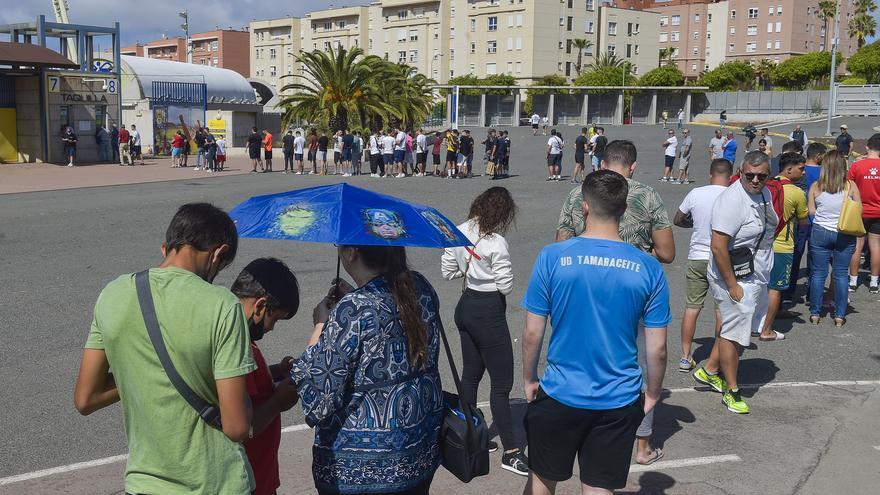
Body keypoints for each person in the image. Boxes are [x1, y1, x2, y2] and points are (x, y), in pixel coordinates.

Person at [74, 203, 255, 494]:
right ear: (218, 253)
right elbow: (236, 427)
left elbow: (86, 398)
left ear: (166, 248)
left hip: (144, 483)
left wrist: (142, 366)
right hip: (215, 483)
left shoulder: (113, 294)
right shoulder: (222, 305)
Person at [522, 170, 670, 495]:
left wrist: (530, 378)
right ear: (624, 208)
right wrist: (654, 393)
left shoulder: (552, 256)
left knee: (542, 481)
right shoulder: (648, 267)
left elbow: (533, 333)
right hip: (617, 398)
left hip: (560, 390)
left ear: (584, 207)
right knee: (598, 489)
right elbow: (657, 349)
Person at [555, 140, 674, 464]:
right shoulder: (647, 195)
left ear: (601, 162)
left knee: (578, 358)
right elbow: (667, 252)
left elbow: (561, 243)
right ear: (632, 166)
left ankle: (578, 428)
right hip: (632, 292)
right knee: (642, 364)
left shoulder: (578, 194)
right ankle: (642, 445)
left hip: (583, 291)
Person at [291, 245, 444, 495]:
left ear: (351, 252)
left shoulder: (354, 309)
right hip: (418, 454)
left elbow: (319, 396)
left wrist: (320, 325)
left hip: (358, 471)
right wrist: (352, 300)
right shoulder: (420, 287)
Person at [440, 187, 528, 475]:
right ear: (503, 213)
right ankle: (512, 451)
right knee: (501, 385)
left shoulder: (460, 229)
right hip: (489, 310)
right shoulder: (497, 242)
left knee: (471, 374)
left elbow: (448, 271)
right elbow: (506, 286)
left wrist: (470, 266)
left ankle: (472, 434)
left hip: (466, 305)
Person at [693, 151, 778, 414]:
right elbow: (718, 247)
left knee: (736, 329)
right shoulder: (731, 200)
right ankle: (732, 390)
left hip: (753, 273)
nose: (755, 180)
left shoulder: (764, 194)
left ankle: (708, 371)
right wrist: (732, 285)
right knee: (735, 335)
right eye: (749, 175)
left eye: (761, 176)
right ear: (739, 173)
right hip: (730, 276)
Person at [230, 258, 301, 495]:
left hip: (258, 477)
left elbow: (246, 381)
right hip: (249, 482)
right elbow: (243, 426)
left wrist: (275, 371)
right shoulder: (238, 348)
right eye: (276, 319)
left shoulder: (236, 339)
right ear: (260, 306)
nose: (272, 328)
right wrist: (278, 403)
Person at [674, 158, 731, 371]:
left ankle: (685, 356)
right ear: (730, 176)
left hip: (697, 255)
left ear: (710, 174)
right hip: (721, 257)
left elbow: (678, 218)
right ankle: (718, 355)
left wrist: (695, 224)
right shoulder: (732, 195)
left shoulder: (696, 193)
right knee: (721, 310)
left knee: (692, 307)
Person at [756, 152, 808, 342]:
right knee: (775, 289)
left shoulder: (765, 185)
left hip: (760, 245)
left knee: (758, 286)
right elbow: (803, 222)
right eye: (800, 169)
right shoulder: (796, 192)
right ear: (789, 169)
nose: (803, 173)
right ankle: (767, 329)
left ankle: (753, 324)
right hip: (782, 246)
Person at [808, 151, 862, 326]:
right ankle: (839, 315)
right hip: (844, 232)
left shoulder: (816, 186)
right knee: (840, 274)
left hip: (820, 231)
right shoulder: (850, 186)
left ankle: (815, 313)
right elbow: (859, 210)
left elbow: (811, 212)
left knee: (818, 274)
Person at [782, 143, 827, 304]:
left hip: (800, 220)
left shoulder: (798, 170)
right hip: (817, 220)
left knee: (795, 257)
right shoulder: (823, 173)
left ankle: (788, 292)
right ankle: (812, 293)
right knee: (814, 259)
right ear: (818, 156)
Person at [848, 133, 880, 294]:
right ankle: (874, 281)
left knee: (857, 245)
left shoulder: (857, 166)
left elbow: (848, 188)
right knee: (875, 246)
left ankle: (853, 281)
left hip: (859, 211)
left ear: (867, 146)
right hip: (878, 212)